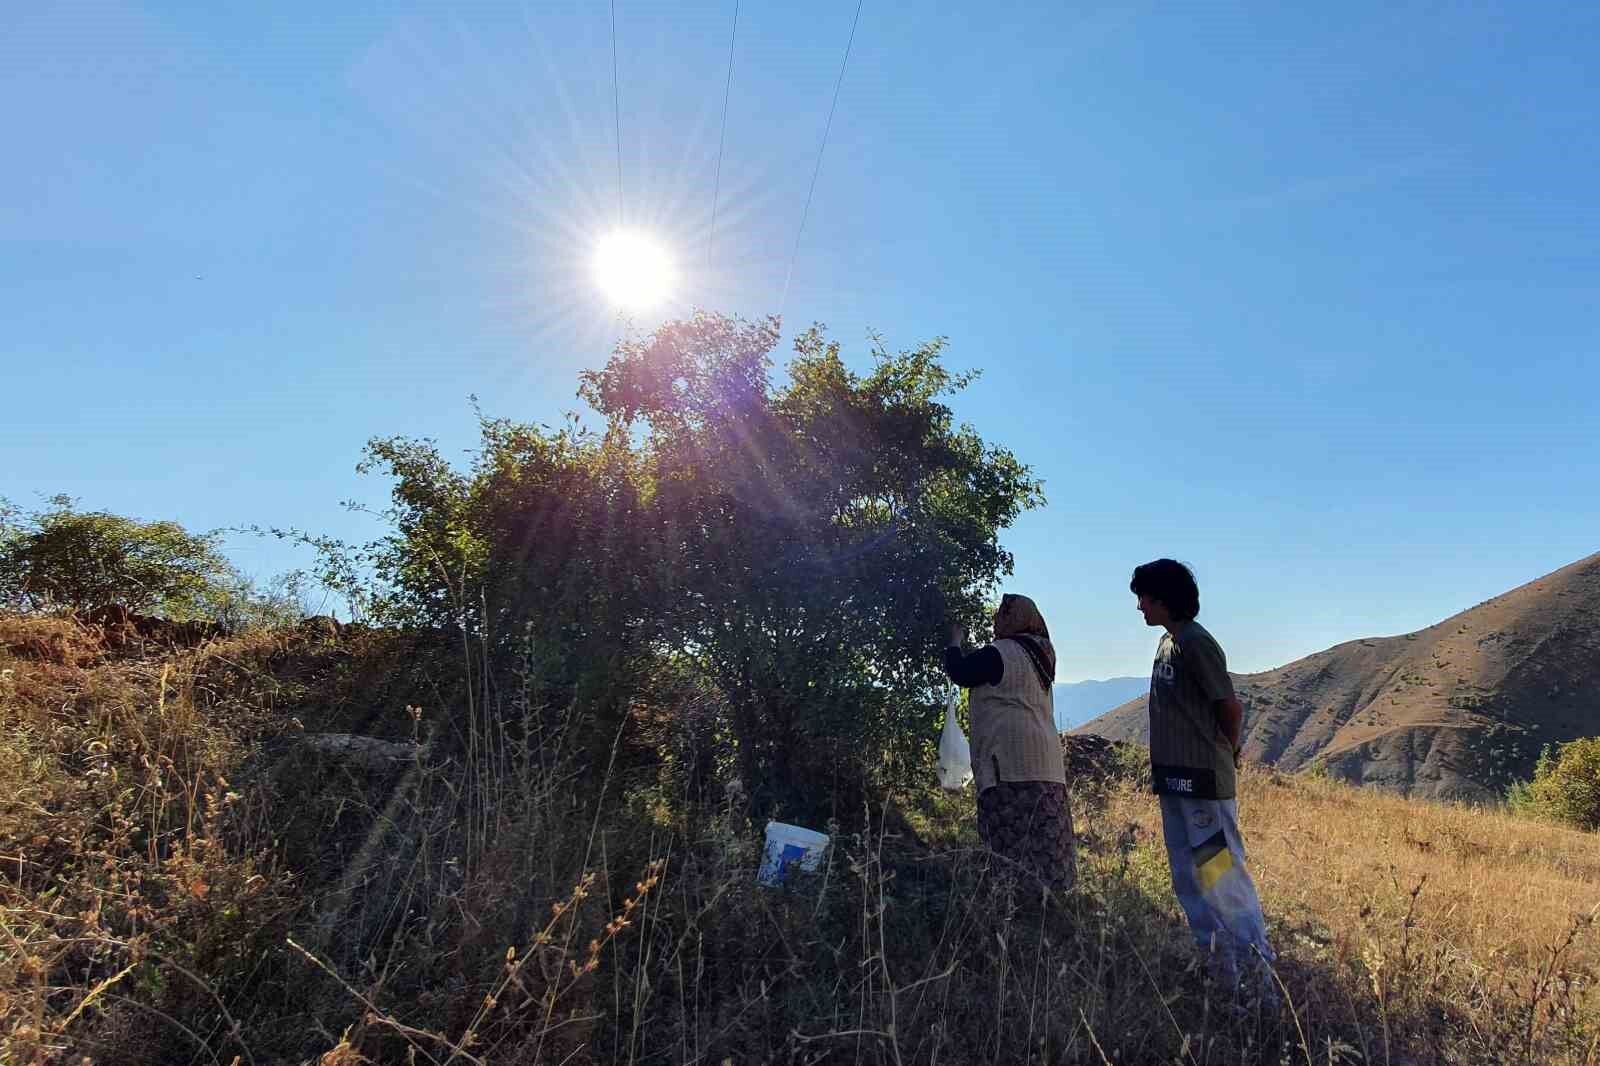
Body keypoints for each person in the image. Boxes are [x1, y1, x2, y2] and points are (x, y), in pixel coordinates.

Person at [1130, 558, 1275, 995]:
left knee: (1220, 879)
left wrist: (1228, 753)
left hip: (1203, 786)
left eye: (1144, 598)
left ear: (1163, 599)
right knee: (1187, 878)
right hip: (1174, 782)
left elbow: (1228, 706)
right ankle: (1221, 976)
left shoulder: (1196, 642)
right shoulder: (1167, 643)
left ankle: (1257, 984)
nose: (1139, 607)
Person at [943, 593, 1076, 891]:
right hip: (1047, 763)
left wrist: (954, 641)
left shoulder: (999, 653)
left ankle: (1011, 900)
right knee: (1045, 837)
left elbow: (960, 672)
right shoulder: (1042, 655)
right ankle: (1049, 901)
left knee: (1010, 841)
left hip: (1009, 761)